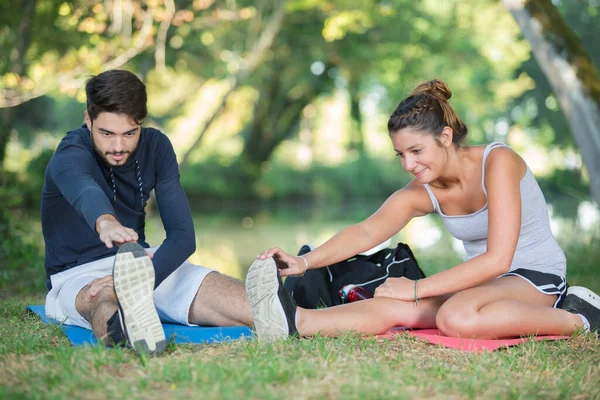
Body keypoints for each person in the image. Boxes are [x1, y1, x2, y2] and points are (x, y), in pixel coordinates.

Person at [245, 79, 600, 341]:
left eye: (416, 151)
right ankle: (295, 321)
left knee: (454, 318)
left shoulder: (499, 161)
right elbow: (367, 231)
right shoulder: (424, 190)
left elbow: (499, 260)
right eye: (401, 155)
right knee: (396, 304)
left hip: (534, 275)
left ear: (445, 137)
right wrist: (304, 262)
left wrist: (416, 288)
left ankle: (580, 316)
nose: (408, 164)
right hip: (486, 283)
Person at [42, 70, 252, 356]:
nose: (118, 146)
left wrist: (139, 281)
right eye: (106, 133)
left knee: (228, 293)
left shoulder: (157, 146)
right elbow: (83, 189)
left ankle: (293, 313)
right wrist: (105, 221)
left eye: (130, 133)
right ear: (88, 119)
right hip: (76, 275)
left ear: (142, 122)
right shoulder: (69, 153)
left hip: (142, 265)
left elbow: (182, 237)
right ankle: (122, 333)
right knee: (102, 297)